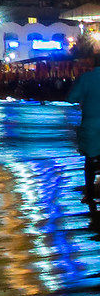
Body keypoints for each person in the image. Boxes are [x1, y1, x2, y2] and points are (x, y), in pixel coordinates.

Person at [69, 60, 100, 198]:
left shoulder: (86, 78)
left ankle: (89, 192)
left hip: (90, 126)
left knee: (89, 159)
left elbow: (71, 97)